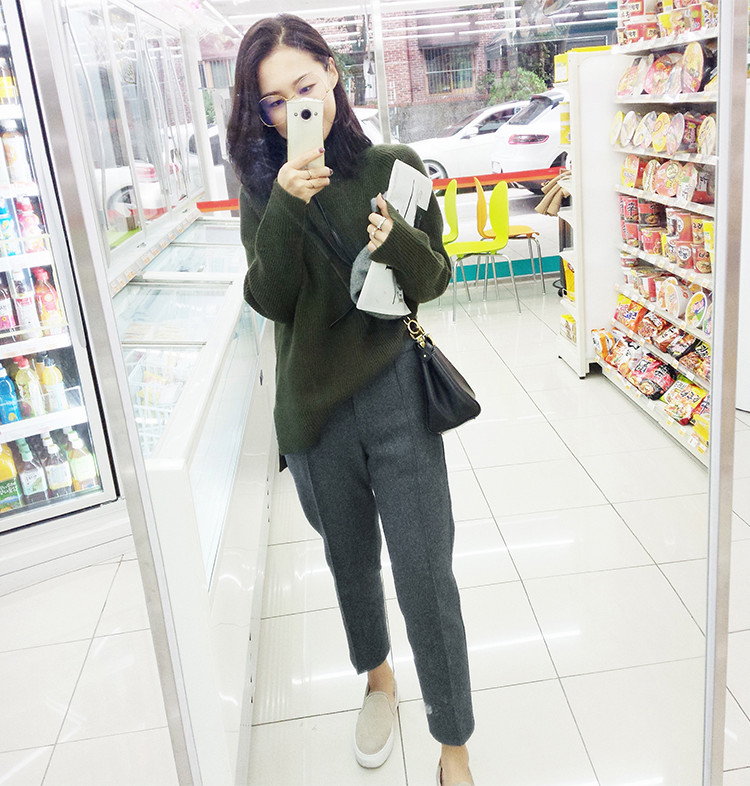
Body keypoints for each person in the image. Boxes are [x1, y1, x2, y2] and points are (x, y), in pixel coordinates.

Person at [227, 15, 475, 786]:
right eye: (273, 102)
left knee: (426, 574)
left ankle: (454, 746)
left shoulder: (396, 168)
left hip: (396, 393)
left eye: (304, 87)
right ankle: (378, 681)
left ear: (334, 72)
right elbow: (270, 300)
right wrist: (285, 207)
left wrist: (395, 238)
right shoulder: (264, 193)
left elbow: (435, 279)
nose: (292, 110)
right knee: (352, 566)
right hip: (314, 412)